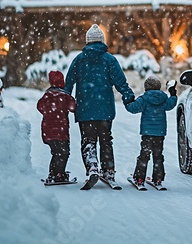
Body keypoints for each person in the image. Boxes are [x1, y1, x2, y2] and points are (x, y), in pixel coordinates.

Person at [64, 24, 135, 186]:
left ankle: (92, 167)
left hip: (85, 108)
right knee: (106, 139)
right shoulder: (109, 59)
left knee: (88, 139)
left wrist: (63, 100)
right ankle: (108, 171)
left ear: (87, 41)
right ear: (102, 41)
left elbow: (68, 83)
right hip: (105, 109)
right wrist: (128, 96)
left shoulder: (79, 60)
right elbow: (120, 82)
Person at [125, 76, 177, 189]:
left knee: (145, 154)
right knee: (158, 155)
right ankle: (158, 178)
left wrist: (127, 100)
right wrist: (173, 93)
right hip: (160, 133)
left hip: (147, 133)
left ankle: (139, 178)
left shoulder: (144, 99)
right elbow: (171, 104)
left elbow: (132, 108)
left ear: (146, 88)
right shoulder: (163, 98)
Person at [37, 70, 76, 183]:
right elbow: (73, 108)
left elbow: (39, 106)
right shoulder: (64, 96)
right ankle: (57, 174)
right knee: (63, 152)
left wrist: (49, 113)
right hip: (61, 131)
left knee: (56, 152)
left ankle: (56, 173)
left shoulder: (47, 95)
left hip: (47, 131)